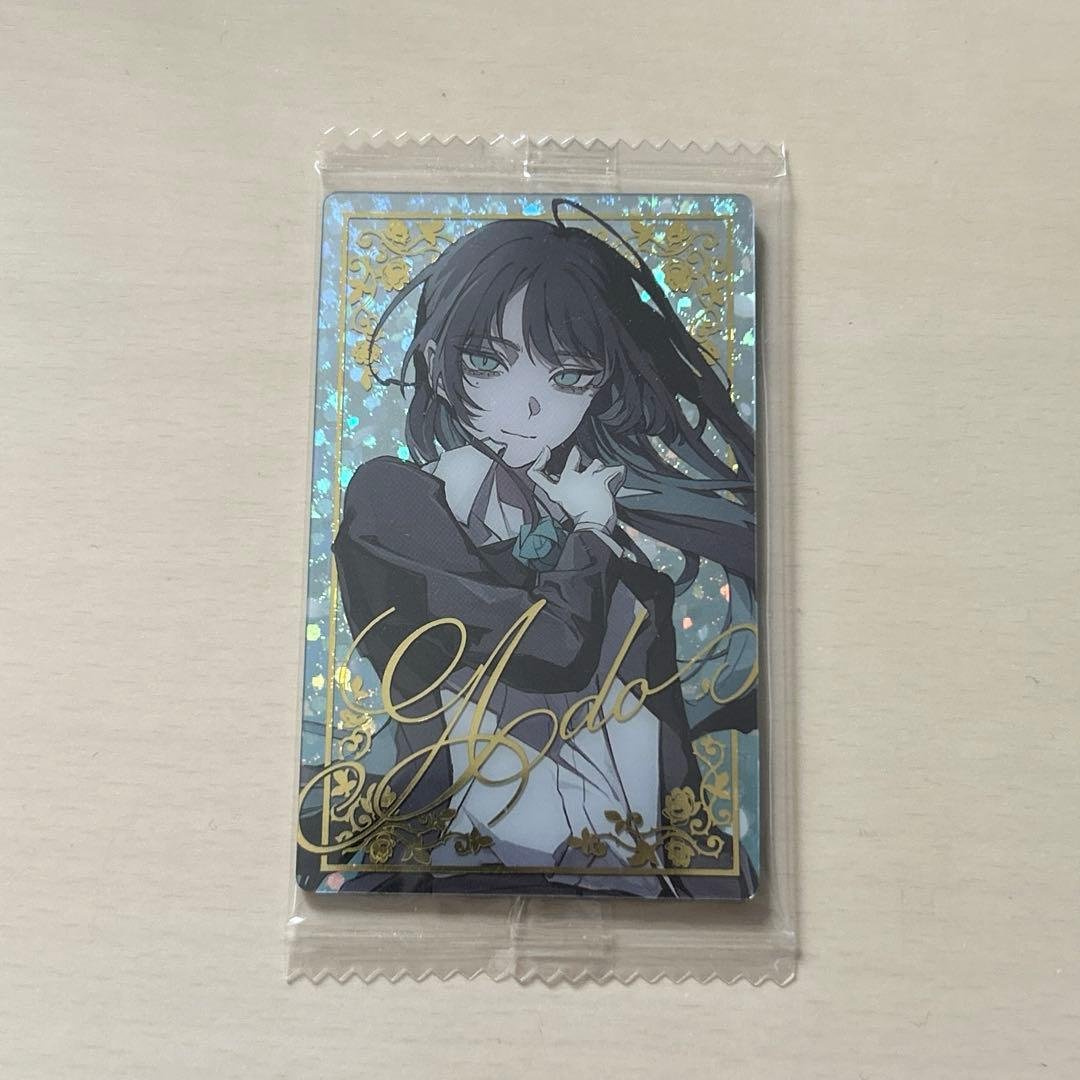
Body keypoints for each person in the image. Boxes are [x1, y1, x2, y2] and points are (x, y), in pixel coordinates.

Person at [332, 201, 757, 897]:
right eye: (487, 362)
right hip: (462, 870)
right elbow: (549, 646)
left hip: (630, 885)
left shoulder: (612, 562)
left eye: (569, 377)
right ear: (437, 365)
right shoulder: (394, 504)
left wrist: (712, 888)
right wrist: (583, 536)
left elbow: (670, 769)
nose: (528, 409)